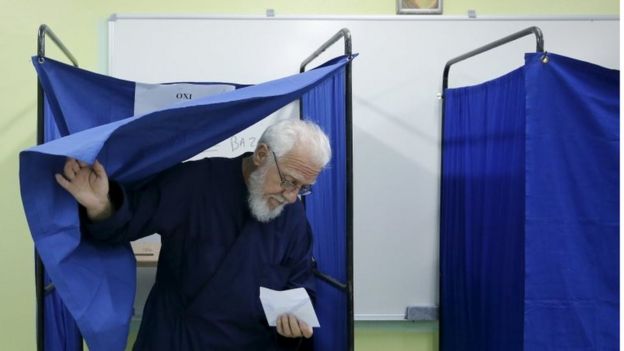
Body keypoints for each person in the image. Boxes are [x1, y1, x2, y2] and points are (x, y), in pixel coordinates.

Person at [55, 119, 332, 350]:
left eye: (304, 187)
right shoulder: (197, 181)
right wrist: (101, 205)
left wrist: (294, 324)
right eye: (289, 181)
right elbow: (132, 217)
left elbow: (300, 283)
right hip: (178, 340)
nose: (293, 196)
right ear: (261, 155)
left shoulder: (292, 215)